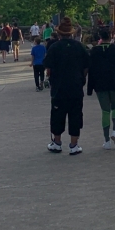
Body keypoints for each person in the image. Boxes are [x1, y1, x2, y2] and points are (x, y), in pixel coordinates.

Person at [43, 17, 90, 155]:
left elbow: (48, 66)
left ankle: (57, 142)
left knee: (58, 115)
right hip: (75, 86)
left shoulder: (54, 47)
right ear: (71, 33)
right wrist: (82, 78)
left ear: (59, 34)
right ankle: (74, 145)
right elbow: (87, 65)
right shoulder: (79, 46)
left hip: (59, 88)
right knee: (75, 115)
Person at [87, 26, 115, 149]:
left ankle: (106, 141)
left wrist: (90, 88)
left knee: (105, 111)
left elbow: (91, 70)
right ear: (110, 37)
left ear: (100, 37)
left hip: (100, 85)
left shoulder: (94, 51)